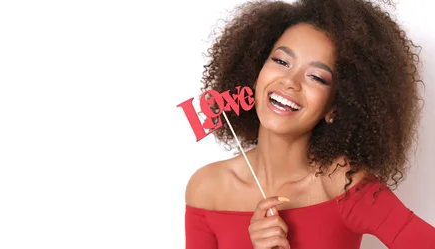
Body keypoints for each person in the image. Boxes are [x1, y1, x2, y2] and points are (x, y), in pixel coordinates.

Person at [184, 0, 435, 248]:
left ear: (335, 106)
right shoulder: (207, 188)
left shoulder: (343, 183)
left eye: (316, 76)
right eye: (281, 61)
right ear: (256, 72)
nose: (290, 81)